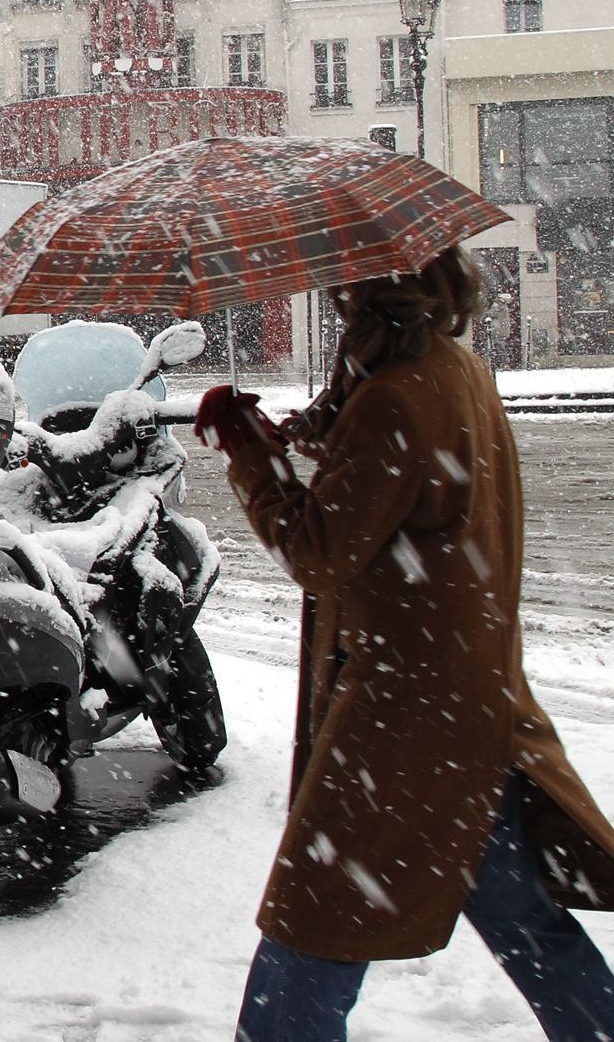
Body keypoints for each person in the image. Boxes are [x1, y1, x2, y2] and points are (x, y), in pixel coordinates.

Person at [197, 247, 614, 1041]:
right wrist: (316, 424)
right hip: (469, 705)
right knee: (522, 916)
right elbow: (404, 480)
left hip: (404, 721)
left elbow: (319, 550)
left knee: (313, 922)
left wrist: (250, 456)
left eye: (343, 296)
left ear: (366, 303)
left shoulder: (395, 398)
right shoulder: (455, 369)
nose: (336, 306)